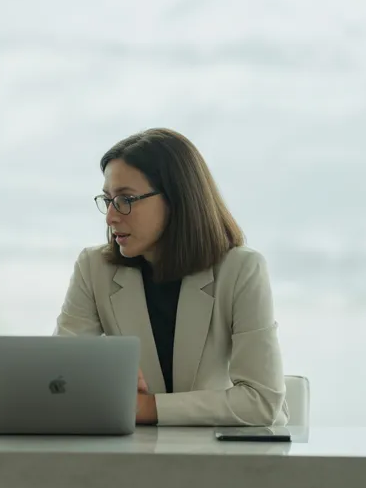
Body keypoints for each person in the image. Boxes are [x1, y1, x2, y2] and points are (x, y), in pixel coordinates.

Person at [54, 128, 286, 426]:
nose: (111, 216)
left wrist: (147, 408)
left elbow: (262, 402)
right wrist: (102, 378)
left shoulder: (242, 269)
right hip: (133, 455)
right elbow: (59, 376)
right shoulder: (94, 267)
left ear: (177, 199)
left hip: (220, 456)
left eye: (125, 199)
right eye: (108, 199)